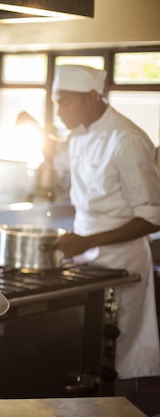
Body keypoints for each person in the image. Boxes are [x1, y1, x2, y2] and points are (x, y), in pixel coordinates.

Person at [48, 65, 160, 400]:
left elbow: (153, 217)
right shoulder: (80, 133)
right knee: (85, 348)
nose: (59, 111)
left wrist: (89, 240)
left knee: (118, 349)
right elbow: (60, 162)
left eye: (65, 103)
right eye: (56, 102)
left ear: (92, 96)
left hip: (121, 261)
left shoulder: (127, 140)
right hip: (84, 255)